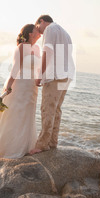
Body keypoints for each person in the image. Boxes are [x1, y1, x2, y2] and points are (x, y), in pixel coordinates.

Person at [0, 24, 41, 159]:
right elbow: (16, 67)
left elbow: (39, 68)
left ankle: (26, 146)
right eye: (36, 30)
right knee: (15, 113)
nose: (39, 32)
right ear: (30, 33)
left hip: (32, 86)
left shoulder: (38, 48)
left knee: (28, 114)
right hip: (20, 84)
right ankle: (9, 147)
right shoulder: (22, 47)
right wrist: (9, 85)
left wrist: (41, 79)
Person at [29, 15, 75, 155]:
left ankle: (42, 144)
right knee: (56, 110)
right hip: (67, 74)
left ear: (41, 22)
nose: (40, 33)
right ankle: (52, 142)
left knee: (47, 109)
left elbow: (47, 52)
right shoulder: (65, 33)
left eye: (38, 28)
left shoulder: (50, 29)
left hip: (55, 75)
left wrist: (40, 75)